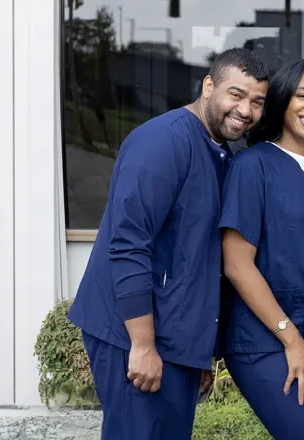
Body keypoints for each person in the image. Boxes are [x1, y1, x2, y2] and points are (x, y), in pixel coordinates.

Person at [66, 48, 269, 439]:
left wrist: (200, 353)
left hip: (176, 341)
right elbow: (128, 245)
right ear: (208, 87)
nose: (245, 110)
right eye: (236, 94)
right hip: (133, 335)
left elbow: (198, 259)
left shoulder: (220, 153)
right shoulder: (162, 142)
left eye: (256, 102)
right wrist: (142, 346)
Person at [218, 58, 304, 440]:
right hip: (268, 344)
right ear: (282, 101)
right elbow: (237, 266)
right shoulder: (252, 166)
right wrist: (292, 341)